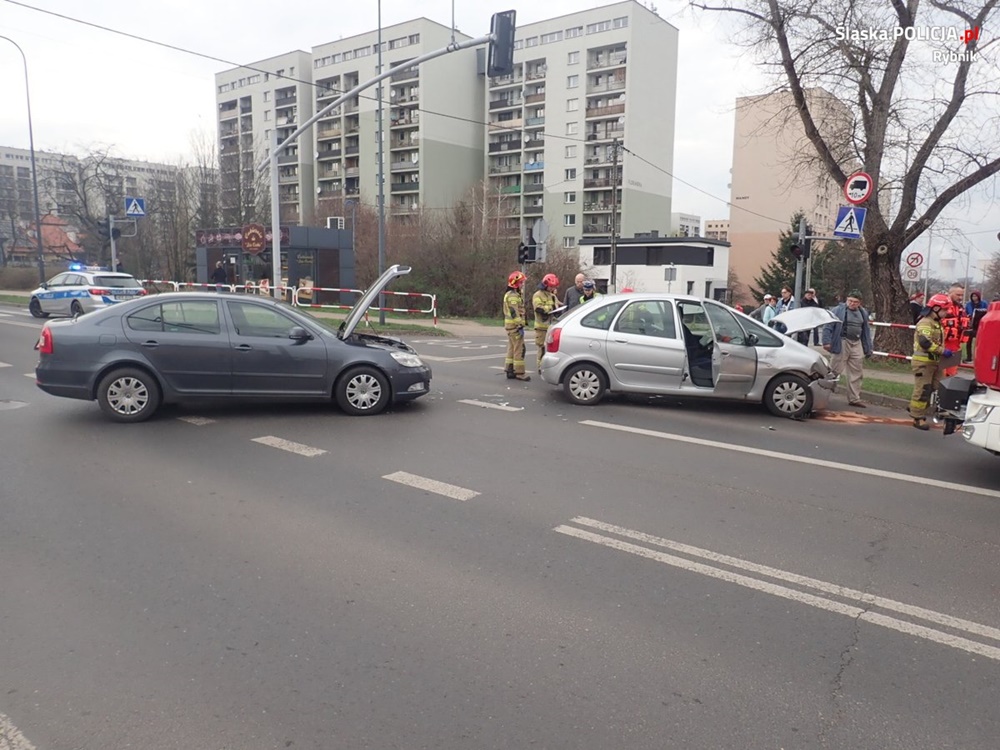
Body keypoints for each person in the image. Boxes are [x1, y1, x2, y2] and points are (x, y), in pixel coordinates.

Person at [909, 293, 955, 430]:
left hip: (935, 363)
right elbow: (925, 342)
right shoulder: (925, 322)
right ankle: (917, 417)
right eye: (945, 309)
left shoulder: (936, 323)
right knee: (923, 389)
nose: (947, 312)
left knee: (938, 388)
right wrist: (942, 351)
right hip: (923, 363)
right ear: (935, 308)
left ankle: (915, 408)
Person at [822, 289, 873, 408]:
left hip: (856, 342)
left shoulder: (863, 313)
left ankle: (854, 398)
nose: (852, 303)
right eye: (850, 301)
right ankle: (824, 394)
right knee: (834, 370)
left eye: (855, 302)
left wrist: (868, 348)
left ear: (860, 303)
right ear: (846, 300)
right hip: (842, 341)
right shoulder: (838, 310)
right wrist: (826, 341)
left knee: (857, 372)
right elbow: (828, 326)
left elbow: (866, 330)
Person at [503, 271, 531, 381]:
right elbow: (514, 312)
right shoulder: (513, 296)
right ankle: (519, 372)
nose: (522, 284)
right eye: (521, 282)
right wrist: (520, 324)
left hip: (510, 326)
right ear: (515, 283)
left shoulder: (510, 294)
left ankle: (509, 370)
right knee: (519, 349)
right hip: (515, 327)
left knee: (511, 348)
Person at [532, 273, 561, 371]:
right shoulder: (537, 295)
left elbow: (557, 305)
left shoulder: (552, 295)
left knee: (550, 349)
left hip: (550, 327)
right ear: (545, 285)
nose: (552, 289)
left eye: (553, 287)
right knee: (542, 348)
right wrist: (550, 308)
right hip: (541, 327)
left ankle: (547, 367)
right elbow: (538, 308)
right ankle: (540, 367)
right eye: (551, 287)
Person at [941, 283, 969, 377]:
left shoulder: (960, 308)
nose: (960, 297)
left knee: (951, 373)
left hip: (955, 343)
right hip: (943, 343)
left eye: (961, 295)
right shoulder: (942, 306)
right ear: (950, 293)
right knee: (941, 373)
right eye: (958, 295)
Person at [964, 290, 989, 362]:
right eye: (972, 296)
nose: (974, 298)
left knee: (980, 342)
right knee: (968, 341)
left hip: (979, 325)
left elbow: (987, 312)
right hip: (970, 325)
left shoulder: (984, 303)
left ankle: (979, 357)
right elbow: (966, 312)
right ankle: (969, 357)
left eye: (975, 296)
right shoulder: (969, 304)